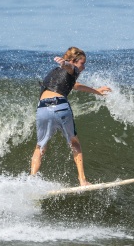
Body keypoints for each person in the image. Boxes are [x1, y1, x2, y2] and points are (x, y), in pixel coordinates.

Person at [30, 47, 112, 186]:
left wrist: (97, 91)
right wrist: (65, 64)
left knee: (40, 147)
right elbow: (70, 68)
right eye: (82, 63)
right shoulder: (72, 69)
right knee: (75, 144)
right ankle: (82, 180)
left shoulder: (55, 72)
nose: (84, 67)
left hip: (42, 108)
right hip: (60, 106)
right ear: (74, 61)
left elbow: (76, 85)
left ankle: (31, 181)